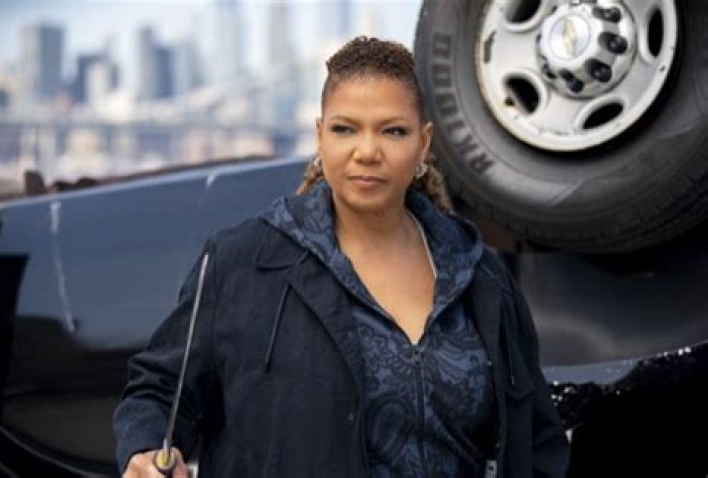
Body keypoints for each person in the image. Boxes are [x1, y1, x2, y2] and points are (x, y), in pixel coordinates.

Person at [113, 36, 570, 477]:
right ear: (320, 137)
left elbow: (536, 444)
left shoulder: (481, 276)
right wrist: (145, 448)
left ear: (423, 143)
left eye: (393, 131)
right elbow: (159, 391)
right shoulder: (242, 262)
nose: (367, 151)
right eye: (344, 129)